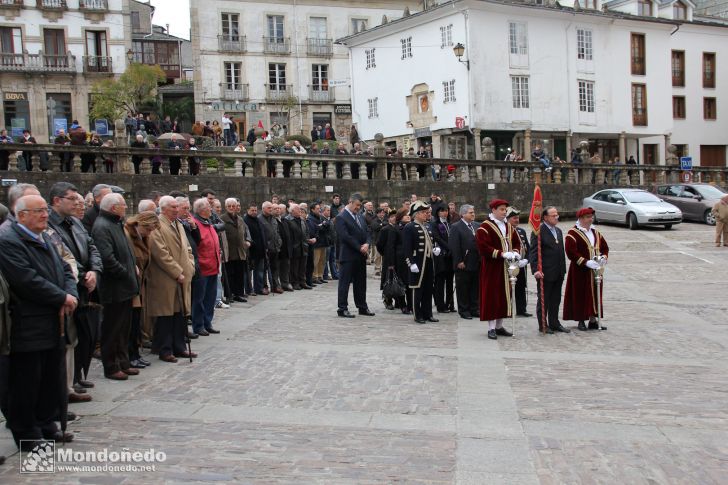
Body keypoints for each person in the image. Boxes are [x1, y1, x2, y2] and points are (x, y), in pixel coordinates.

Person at [0, 194, 78, 450]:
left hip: (53, 319)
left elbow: (65, 269)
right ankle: (26, 432)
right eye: (39, 211)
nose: (45, 215)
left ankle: (46, 423)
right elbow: (26, 280)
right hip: (28, 322)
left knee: (49, 378)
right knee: (26, 381)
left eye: (45, 210)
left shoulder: (44, 235)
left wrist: (71, 293)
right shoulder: (8, 240)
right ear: (21, 215)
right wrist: (61, 297)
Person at [47, 182, 103, 401]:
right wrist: (82, 275)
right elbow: (64, 257)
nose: (77, 203)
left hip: (84, 285)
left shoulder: (75, 223)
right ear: (57, 201)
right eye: (72, 199)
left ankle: (75, 378)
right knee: (69, 338)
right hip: (69, 287)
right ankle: (65, 387)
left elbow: (91, 247)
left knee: (82, 335)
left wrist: (95, 271)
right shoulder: (50, 225)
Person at [92, 193, 139, 380]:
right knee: (112, 329)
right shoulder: (102, 226)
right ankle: (111, 366)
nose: (126, 207)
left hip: (125, 286)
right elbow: (107, 259)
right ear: (113, 207)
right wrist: (126, 273)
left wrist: (131, 266)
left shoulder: (116, 223)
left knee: (123, 329)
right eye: (123, 205)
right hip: (115, 287)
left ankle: (123, 361)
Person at [147, 197, 196, 361]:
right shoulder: (157, 225)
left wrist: (190, 265)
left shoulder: (178, 224)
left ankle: (179, 346)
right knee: (166, 314)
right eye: (173, 207)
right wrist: (176, 272)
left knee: (180, 313)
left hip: (183, 275)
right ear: (164, 209)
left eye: (177, 207)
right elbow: (160, 253)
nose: (177, 210)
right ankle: (165, 349)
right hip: (165, 277)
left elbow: (187, 247)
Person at [476, 199, 524, 339]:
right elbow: (483, 247)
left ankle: (499, 325)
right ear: (494, 210)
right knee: (492, 296)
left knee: (505, 295)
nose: (504, 212)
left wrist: (515, 251)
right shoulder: (484, 227)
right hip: (492, 267)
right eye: (502, 209)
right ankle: (491, 327)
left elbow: (516, 242)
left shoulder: (508, 227)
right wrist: (502, 253)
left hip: (507, 267)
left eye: (505, 210)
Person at [563, 207, 610, 331]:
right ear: (581, 219)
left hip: (595, 270)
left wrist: (604, 257)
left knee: (595, 293)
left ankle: (593, 319)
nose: (591, 219)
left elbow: (605, 247)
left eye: (591, 217)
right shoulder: (572, 233)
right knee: (580, 295)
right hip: (580, 271)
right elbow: (571, 252)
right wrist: (586, 262)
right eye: (588, 217)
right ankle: (581, 320)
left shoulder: (596, 232)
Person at [123, 210, 160, 367]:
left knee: (137, 321)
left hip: (141, 283)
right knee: (131, 323)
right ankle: (130, 355)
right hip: (131, 285)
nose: (149, 233)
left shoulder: (144, 237)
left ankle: (135, 353)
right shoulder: (128, 236)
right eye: (148, 229)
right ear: (140, 224)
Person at [528, 206, 568, 333]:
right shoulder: (538, 231)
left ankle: (555, 322)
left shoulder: (559, 231)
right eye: (553, 215)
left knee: (556, 299)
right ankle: (543, 324)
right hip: (545, 272)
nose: (556, 217)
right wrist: (535, 270)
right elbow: (533, 252)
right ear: (545, 217)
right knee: (544, 299)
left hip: (559, 271)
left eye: (557, 214)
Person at [335, 193, 374, 318]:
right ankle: (342, 308)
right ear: (350, 202)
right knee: (344, 283)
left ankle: (362, 306)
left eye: (360, 206)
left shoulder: (360, 216)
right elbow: (345, 237)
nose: (358, 208)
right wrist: (359, 247)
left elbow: (367, 231)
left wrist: (367, 244)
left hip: (360, 255)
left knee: (361, 283)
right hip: (348, 256)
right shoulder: (341, 217)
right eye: (357, 205)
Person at [403, 202, 440, 323]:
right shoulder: (410, 227)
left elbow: (430, 242)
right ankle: (417, 315)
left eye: (427, 212)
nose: (427, 214)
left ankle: (427, 314)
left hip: (428, 261)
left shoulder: (427, 226)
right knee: (417, 289)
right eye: (424, 212)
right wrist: (411, 263)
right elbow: (407, 248)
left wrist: (434, 249)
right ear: (416, 214)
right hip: (417, 263)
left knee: (428, 289)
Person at [191, 198, 221, 336]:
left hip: (213, 266)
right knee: (200, 299)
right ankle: (199, 324)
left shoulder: (208, 222)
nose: (211, 209)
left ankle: (207, 322)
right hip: (202, 267)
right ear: (202, 209)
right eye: (209, 207)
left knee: (210, 297)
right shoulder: (195, 224)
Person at [449, 204, 480, 320]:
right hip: (463, 263)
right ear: (463, 214)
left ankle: (474, 308)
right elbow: (454, 245)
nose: (473, 214)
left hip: (476, 262)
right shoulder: (456, 227)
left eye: (473, 212)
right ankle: (464, 310)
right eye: (470, 212)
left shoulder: (477, 225)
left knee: (474, 287)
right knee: (463, 288)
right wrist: (459, 260)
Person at [221, 198, 251, 301]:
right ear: (226, 207)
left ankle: (238, 293)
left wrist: (247, 241)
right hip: (229, 251)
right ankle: (230, 294)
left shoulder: (240, 219)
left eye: (233, 206)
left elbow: (245, 232)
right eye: (229, 206)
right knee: (229, 274)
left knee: (239, 274)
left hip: (240, 251)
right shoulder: (222, 219)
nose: (231, 208)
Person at [507, 207, 532, 318]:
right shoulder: (505, 231)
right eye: (514, 218)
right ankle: (508, 310)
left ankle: (521, 309)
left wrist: (526, 259)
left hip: (521, 264)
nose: (517, 220)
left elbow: (527, 247)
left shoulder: (521, 231)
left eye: (517, 218)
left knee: (521, 287)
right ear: (508, 219)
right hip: (509, 265)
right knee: (509, 288)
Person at [430, 205, 454, 314]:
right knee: (440, 281)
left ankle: (450, 303)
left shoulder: (450, 224)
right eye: (442, 211)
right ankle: (440, 305)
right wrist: (448, 247)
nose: (445, 213)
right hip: (441, 255)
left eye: (446, 211)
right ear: (438, 212)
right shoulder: (435, 224)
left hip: (450, 255)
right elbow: (437, 237)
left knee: (450, 281)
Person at [285, 204, 311, 290]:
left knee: (302, 266)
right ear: (292, 211)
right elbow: (288, 235)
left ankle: (302, 282)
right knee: (294, 267)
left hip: (303, 246)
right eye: (297, 209)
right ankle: (295, 282)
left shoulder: (302, 220)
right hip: (294, 247)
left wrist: (307, 241)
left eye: (300, 209)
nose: (300, 211)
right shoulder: (288, 220)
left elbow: (306, 231)